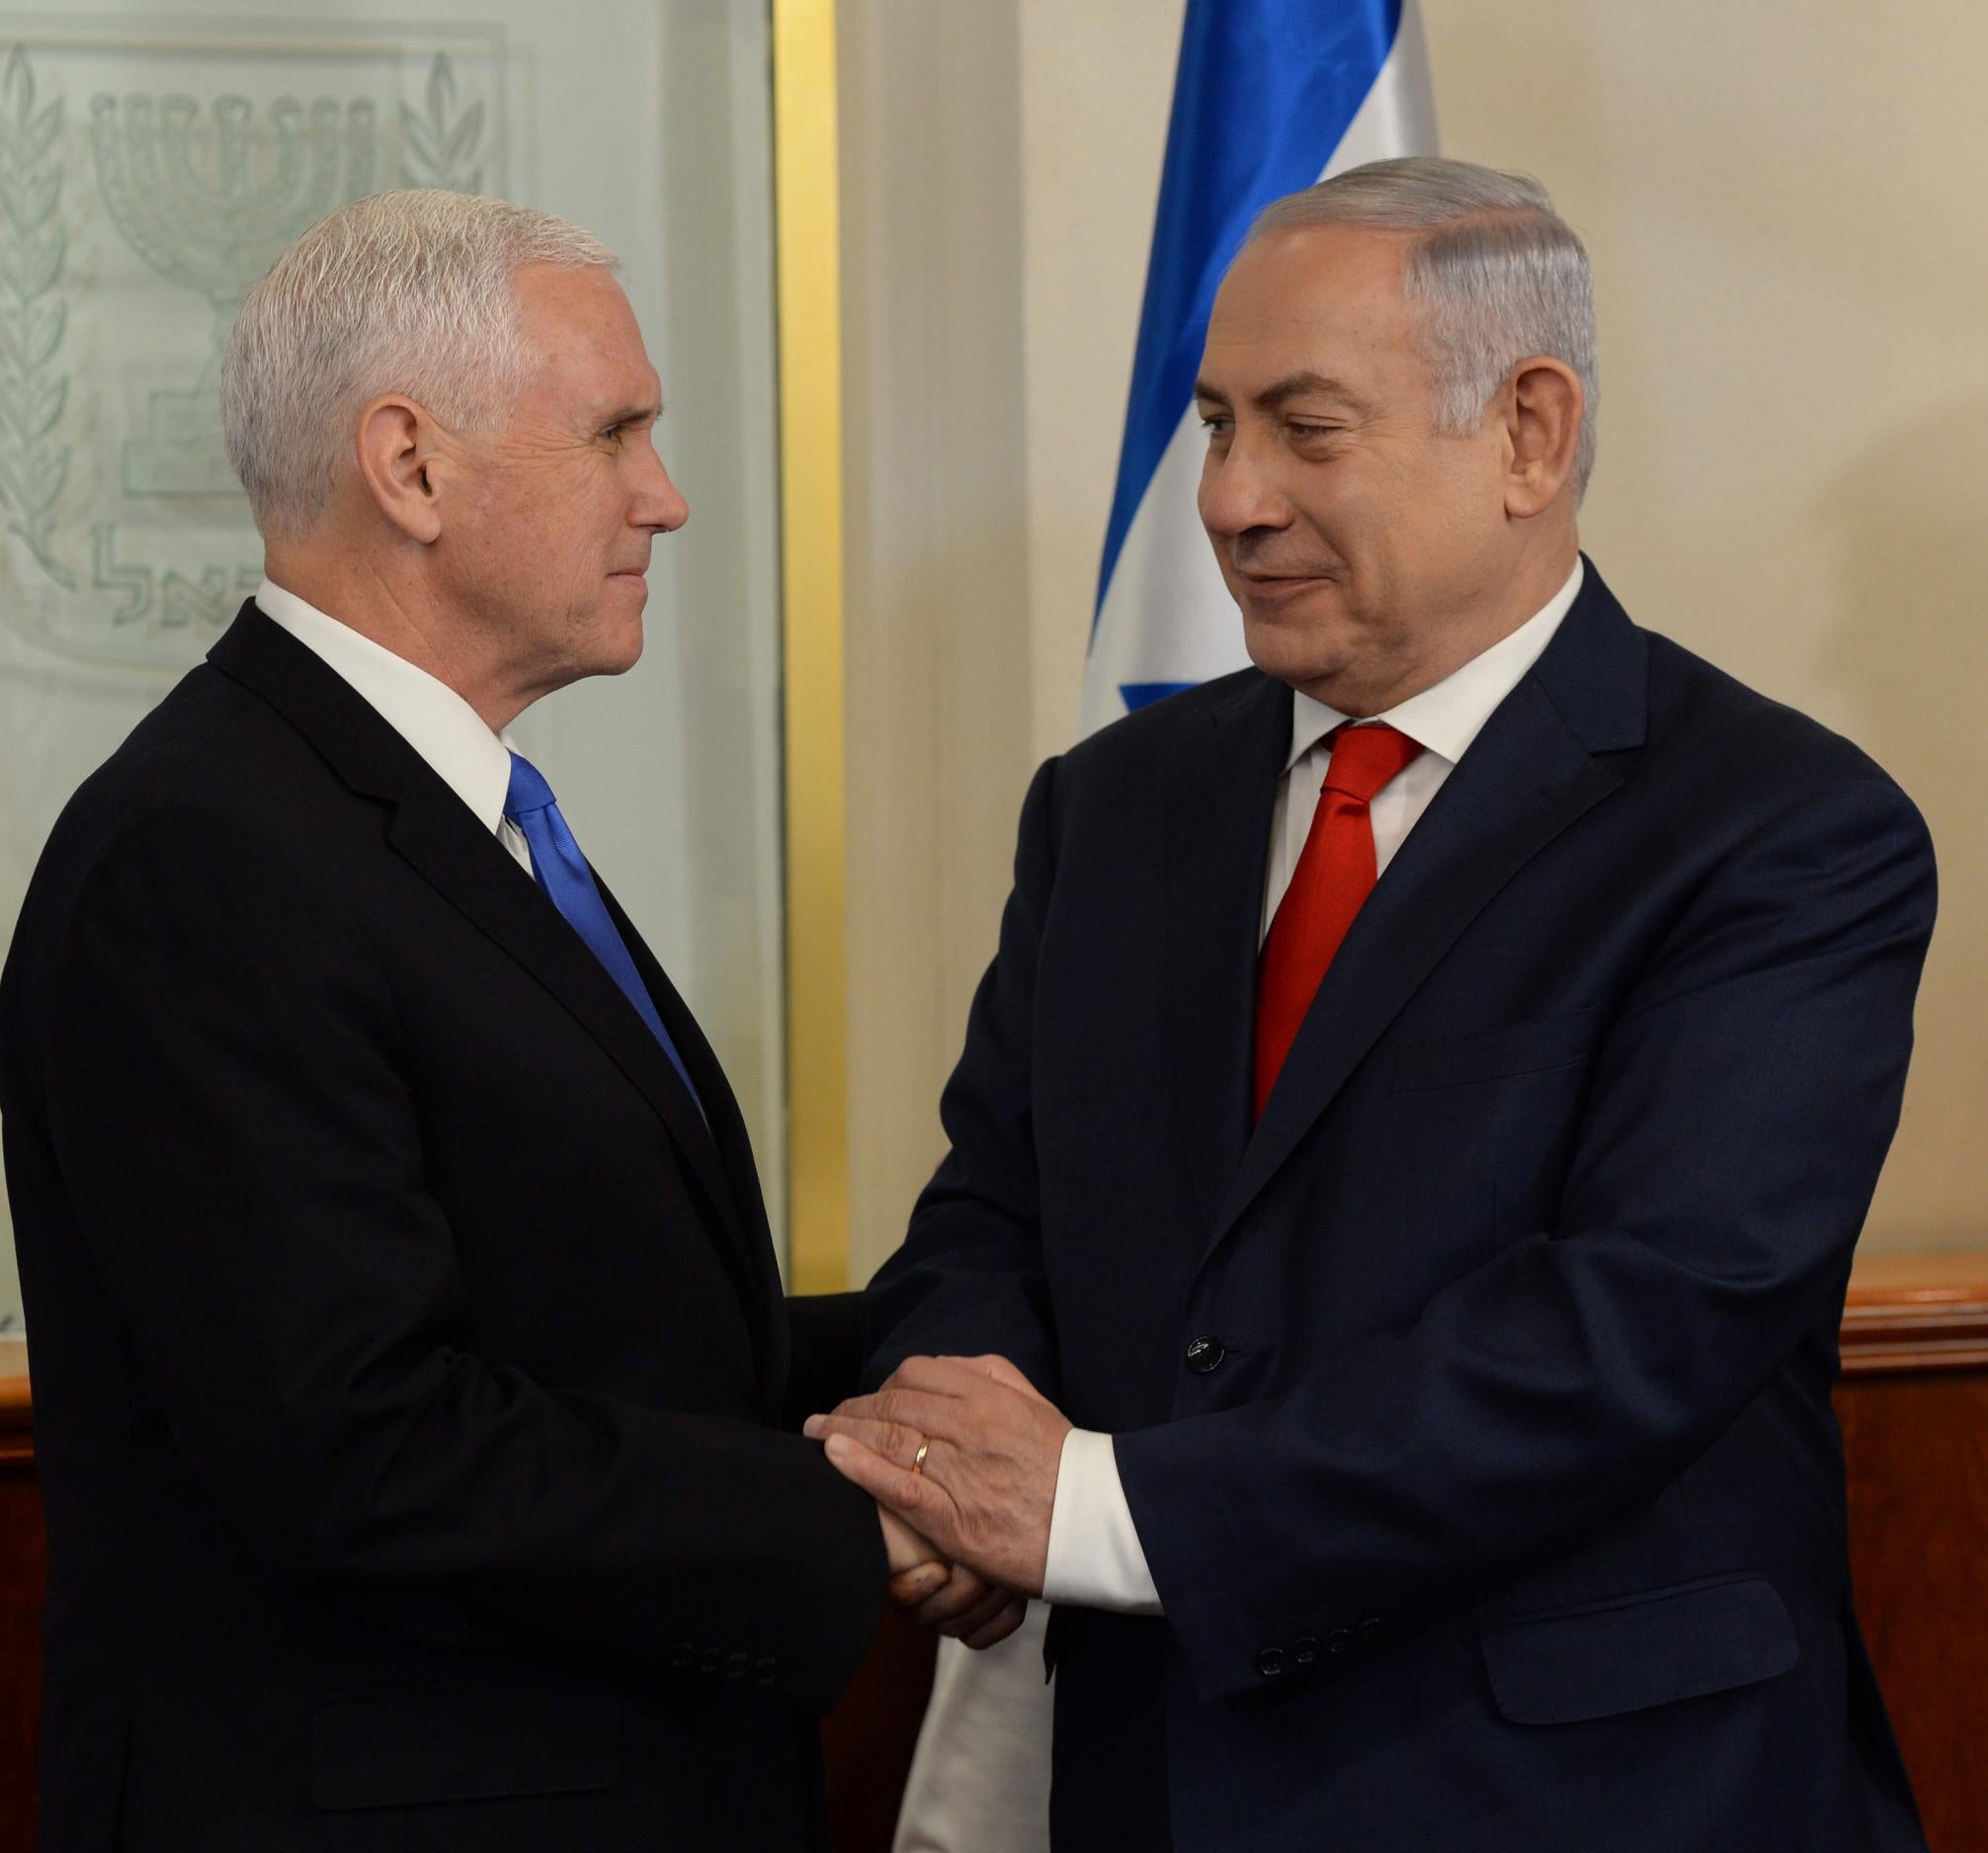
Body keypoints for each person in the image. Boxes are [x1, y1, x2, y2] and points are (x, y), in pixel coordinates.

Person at [811, 157, 1935, 1851]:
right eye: (1212, 425)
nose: (1230, 500)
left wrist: (1103, 1511)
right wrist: (944, 1456)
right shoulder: (1113, 806)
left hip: (1583, 1798)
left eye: (1305, 429)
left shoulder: (1779, 831)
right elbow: (989, 1213)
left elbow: (1629, 1328)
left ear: (1530, 435)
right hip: (1154, 1776)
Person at [0, 190, 939, 1853]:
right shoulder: (207, 856)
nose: (669, 496)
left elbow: (599, 1333)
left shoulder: (404, 820)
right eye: (616, 434)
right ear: (410, 467)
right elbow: (361, 1446)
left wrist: (952, 1357)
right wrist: (858, 1516)